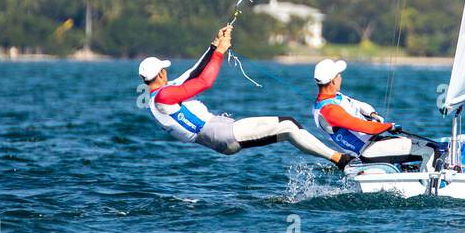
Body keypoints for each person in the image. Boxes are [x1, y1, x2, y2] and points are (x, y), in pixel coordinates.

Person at [140, 26, 352, 169]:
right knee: (288, 123)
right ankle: (341, 160)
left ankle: (341, 160)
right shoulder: (165, 96)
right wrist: (220, 53)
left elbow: (191, 73)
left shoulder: (157, 97)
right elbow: (204, 82)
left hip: (219, 133)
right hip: (218, 133)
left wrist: (214, 46)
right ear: (160, 74)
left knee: (288, 130)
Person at [311, 58, 442, 170]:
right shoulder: (329, 110)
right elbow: (366, 128)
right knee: (430, 149)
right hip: (367, 151)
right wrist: (389, 126)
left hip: (375, 144)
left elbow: (360, 105)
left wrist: (373, 114)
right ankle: (432, 189)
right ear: (333, 81)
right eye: (339, 75)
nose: (341, 77)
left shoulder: (334, 97)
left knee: (420, 148)